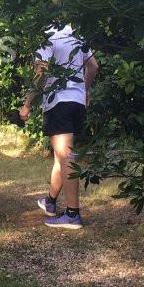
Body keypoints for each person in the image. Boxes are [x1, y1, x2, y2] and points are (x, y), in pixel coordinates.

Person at [20, 22, 99, 229]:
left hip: (59, 102)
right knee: (61, 156)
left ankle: (73, 214)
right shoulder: (77, 35)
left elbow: (41, 73)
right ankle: (50, 202)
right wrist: (85, 90)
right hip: (77, 103)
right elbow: (93, 66)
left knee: (65, 156)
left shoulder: (46, 37)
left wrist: (27, 103)